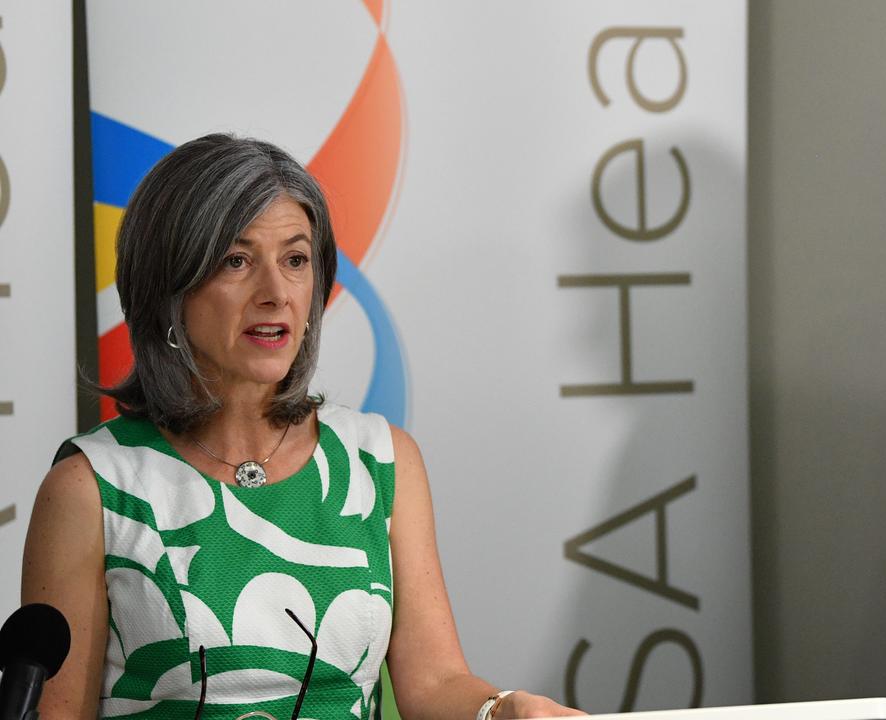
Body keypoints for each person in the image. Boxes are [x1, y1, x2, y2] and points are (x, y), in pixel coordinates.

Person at [21, 134, 584, 720]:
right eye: (236, 262)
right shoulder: (91, 487)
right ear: (168, 287)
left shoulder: (380, 461)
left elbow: (434, 684)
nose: (275, 294)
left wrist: (501, 709)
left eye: (295, 260)